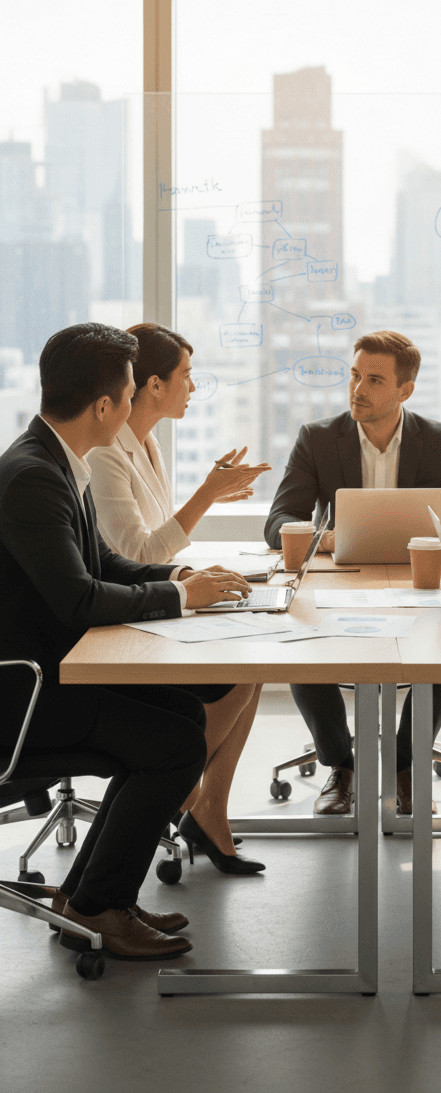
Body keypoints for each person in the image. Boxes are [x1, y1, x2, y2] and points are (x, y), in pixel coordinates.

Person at [0, 323, 255, 962]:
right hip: (24, 695)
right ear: (106, 405)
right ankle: (98, 908)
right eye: (126, 392)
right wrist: (179, 599)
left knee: (182, 712)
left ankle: (87, 894)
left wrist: (178, 578)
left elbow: (104, 565)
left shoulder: (54, 458)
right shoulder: (34, 475)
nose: (135, 405)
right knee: (172, 744)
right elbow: (79, 599)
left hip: (54, 674)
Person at [265, 329, 441, 816]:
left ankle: (404, 765)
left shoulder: (439, 441)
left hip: (419, 581)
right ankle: (340, 765)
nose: (357, 390)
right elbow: (278, 522)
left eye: (373, 380)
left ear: (404, 390)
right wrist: (323, 537)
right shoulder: (319, 439)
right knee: (300, 646)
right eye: (354, 376)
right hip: (340, 583)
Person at [88, 323, 271, 873]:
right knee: (241, 667)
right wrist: (206, 498)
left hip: (149, 597)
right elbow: (133, 551)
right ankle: (184, 795)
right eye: (185, 375)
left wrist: (192, 571)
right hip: (121, 622)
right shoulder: (105, 456)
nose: (193, 386)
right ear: (152, 386)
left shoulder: (145, 442)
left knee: (254, 656)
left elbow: (147, 550)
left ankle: (208, 809)